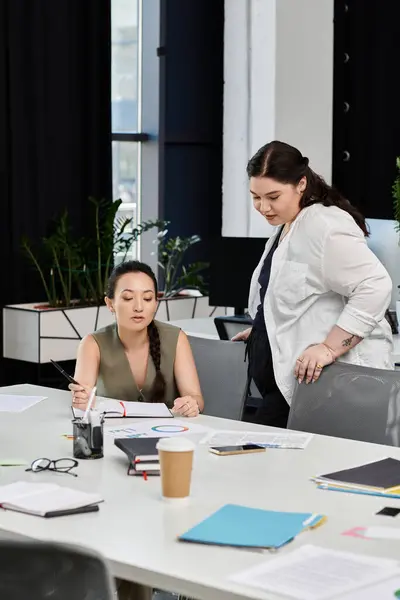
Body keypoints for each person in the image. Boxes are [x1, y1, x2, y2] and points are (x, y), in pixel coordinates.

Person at [233, 140, 393, 428]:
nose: (263, 207)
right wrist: (266, 328)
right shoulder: (288, 223)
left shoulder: (324, 225)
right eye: (255, 197)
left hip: (327, 388)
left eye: (273, 196)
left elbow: (375, 285)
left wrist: (329, 348)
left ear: (301, 184)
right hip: (291, 386)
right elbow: (303, 295)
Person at [70, 260, 204, 417]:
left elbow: (196, 398)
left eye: (147, 298)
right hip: (111, 436)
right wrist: (81, 400)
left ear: (155, 303)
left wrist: (192, 404)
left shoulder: (176, 339)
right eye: (128, 298)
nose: (139, 307)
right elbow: (81, 401)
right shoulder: (92, 344)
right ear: (110, 303)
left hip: (167, 436)